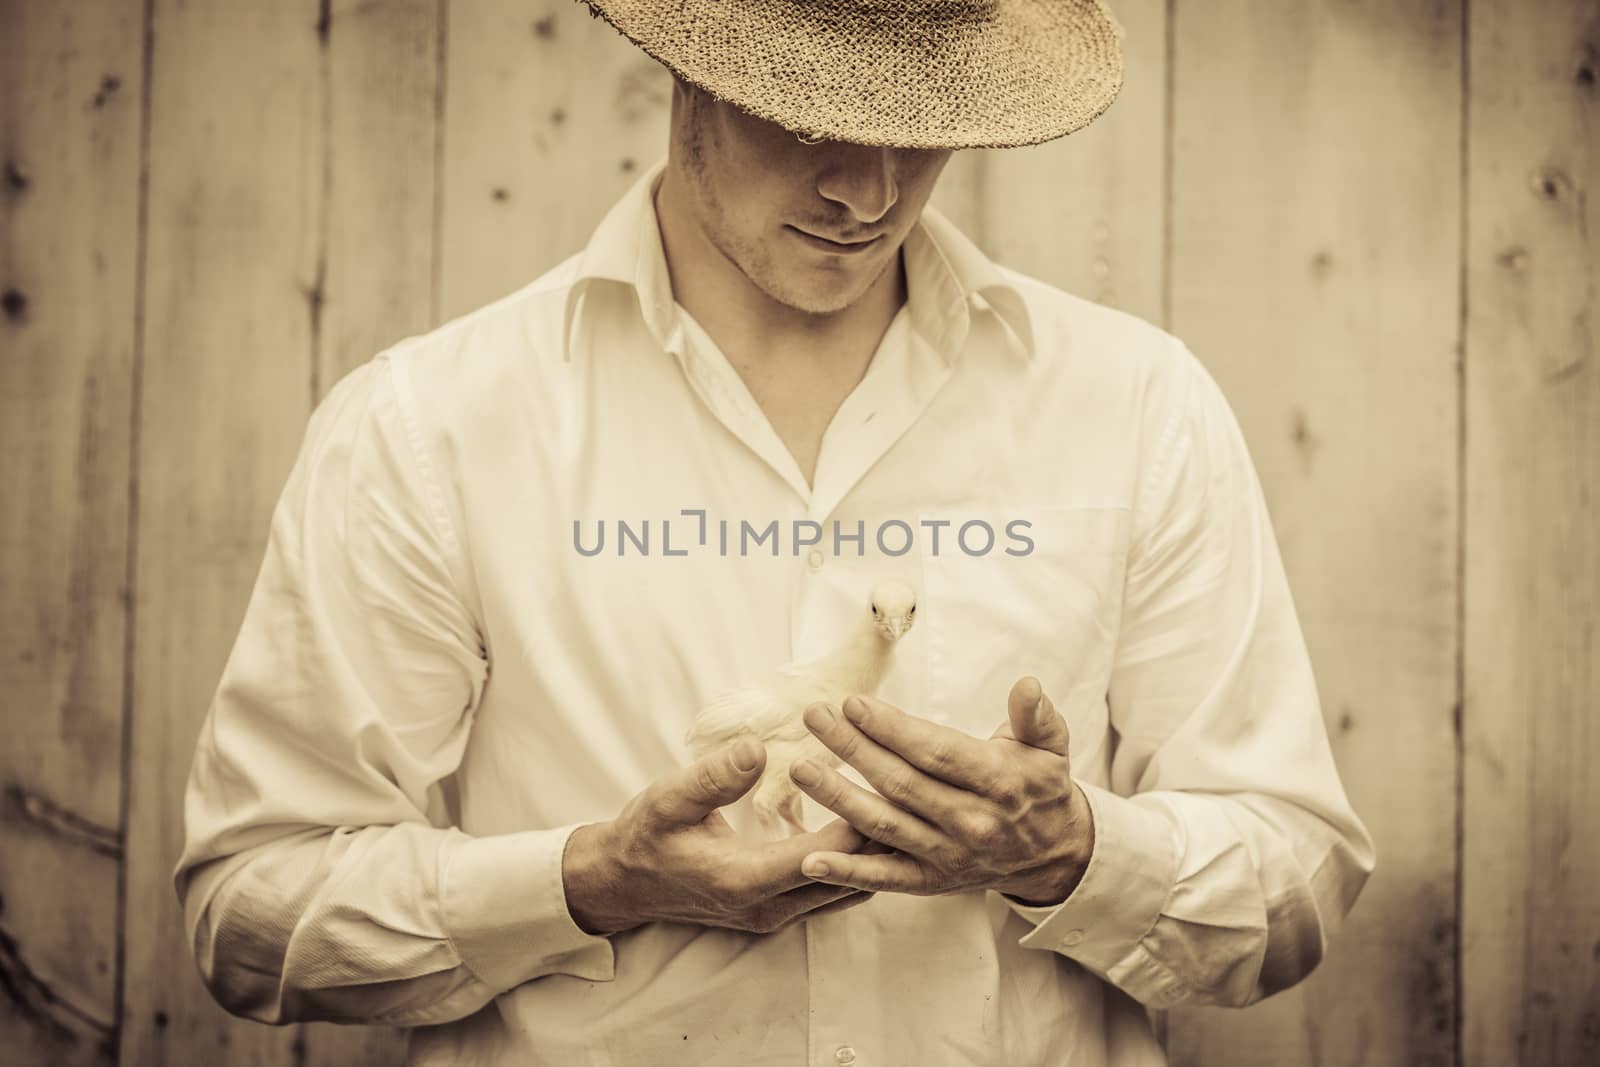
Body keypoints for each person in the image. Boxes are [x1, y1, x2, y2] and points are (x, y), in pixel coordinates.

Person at [175, 0, 1376, 1063]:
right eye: (806, 121)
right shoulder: (429, 427)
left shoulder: (1133, 402)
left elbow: (1290, 879)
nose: (869, 193)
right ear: (689, 67)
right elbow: (253, 910)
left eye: (921, 123)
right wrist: (587, 881)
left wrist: (1071, 853)